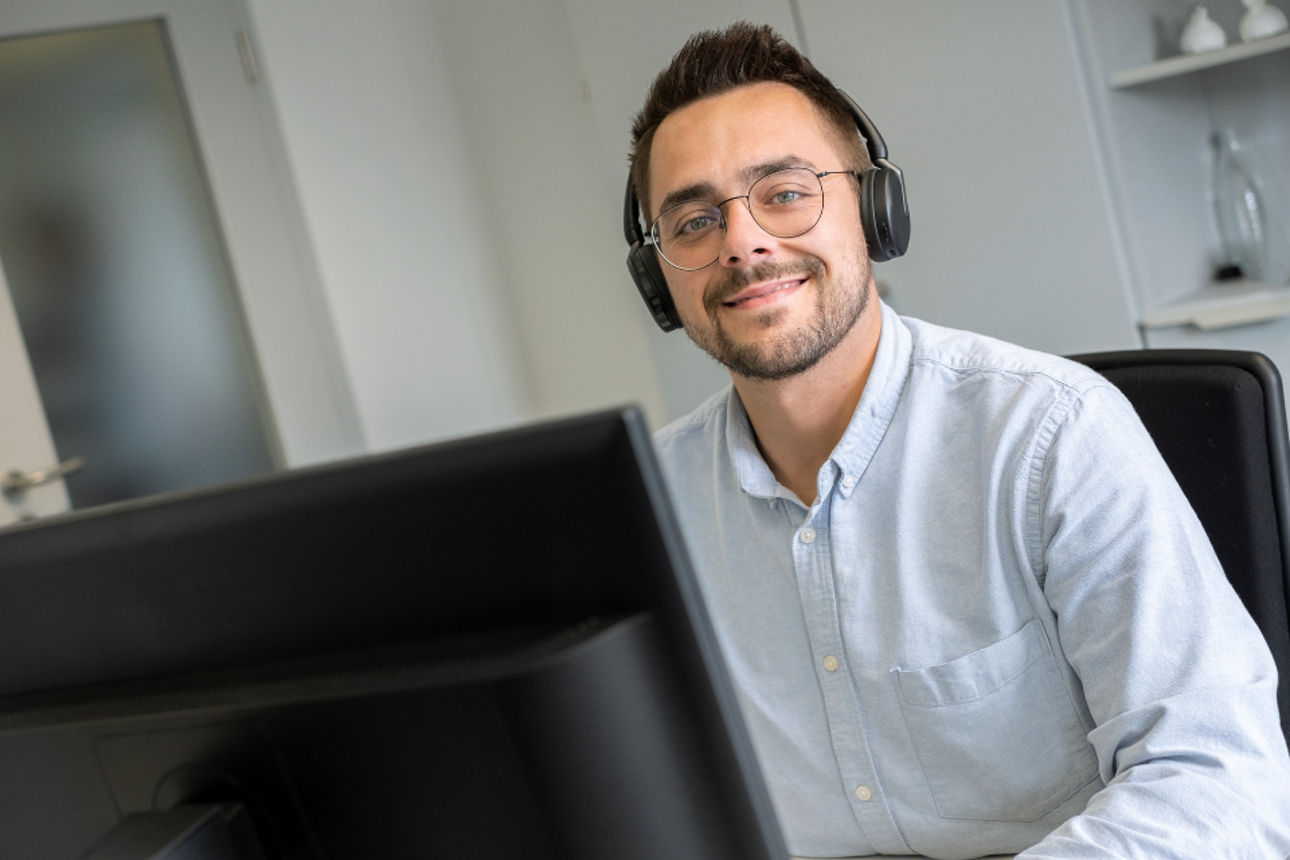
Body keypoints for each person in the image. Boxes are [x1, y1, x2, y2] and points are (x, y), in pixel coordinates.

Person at [625, 21, 1290, 859]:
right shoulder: (648, 511)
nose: (743, 243)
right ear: (658, 278)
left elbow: (1221, 780)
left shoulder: (1050, 434)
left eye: (785, 193)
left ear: (875, 209)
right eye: (692, 222)